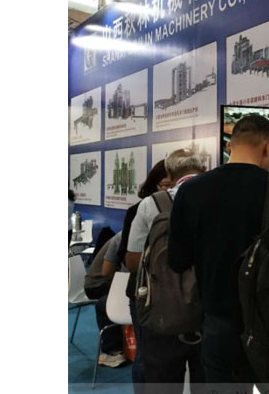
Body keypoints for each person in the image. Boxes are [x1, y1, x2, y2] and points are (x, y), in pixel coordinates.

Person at [168, 114, 269, 394]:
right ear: (268, 147)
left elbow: (177, 260)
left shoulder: (190, 190)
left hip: (219, 323)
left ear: (230, 147)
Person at [126, 149, 205, 393]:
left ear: (169, 174)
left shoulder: (151, 204)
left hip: (163, 311)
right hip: (209, 312)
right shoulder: (223, 198)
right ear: (203, 169)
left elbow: (133, 262)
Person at [120, 160, 170, 393]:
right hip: (145, 293)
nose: (171, 192)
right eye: (166, 186)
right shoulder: (139, 210)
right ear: (154, 184)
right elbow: (128, 259)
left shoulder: (189, 205)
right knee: (146, 355)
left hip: (178, 295)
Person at [83, 232, 126, 367]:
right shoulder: (124, 238)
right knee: (106, 304)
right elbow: (118, 273)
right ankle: (113, 352)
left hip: (107, 281)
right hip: (97, 285)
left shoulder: (126, 235)